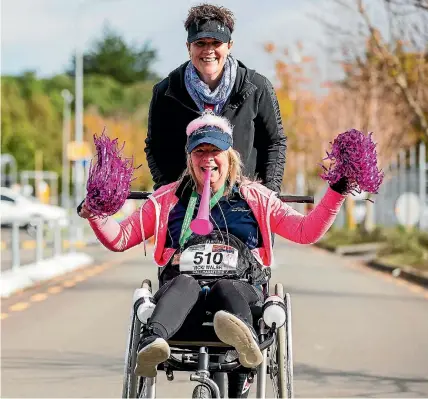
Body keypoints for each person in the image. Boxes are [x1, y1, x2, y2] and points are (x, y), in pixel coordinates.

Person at [79, 112, 348, 398]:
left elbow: (306, 231)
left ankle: (244, 337)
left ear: (229, 156)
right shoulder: (167, 200)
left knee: (226, 287)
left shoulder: (255, 198)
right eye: (200, 151)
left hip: (239, 293)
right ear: (189, 157)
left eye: (214, 151)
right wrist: (96, 214)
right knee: (185, 284)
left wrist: (337, 192)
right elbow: (120, 238)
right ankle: (153, 341)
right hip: (184, 303)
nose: (207, 158)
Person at [144, 3, 287, 194]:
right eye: (200, 43)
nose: (208, 51)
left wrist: (268, 194)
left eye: (216, 43)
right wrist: (169, 192)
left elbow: (275, 142)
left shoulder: (257, 87)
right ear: (188, 47)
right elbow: (155, 147)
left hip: (244, 204)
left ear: (229, 46)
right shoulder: (166, 91)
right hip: (185, 203)